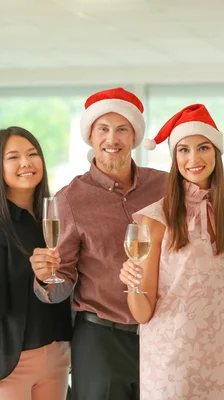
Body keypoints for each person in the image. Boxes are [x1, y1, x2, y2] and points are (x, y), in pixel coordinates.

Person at [34, 88, 167, 400]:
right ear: (90, 136)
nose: (112, 139)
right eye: (103, 129)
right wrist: (45, 277)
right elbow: (60, 282)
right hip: (100, 341)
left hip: (162, 336)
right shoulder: (70, 200)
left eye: (122, 129)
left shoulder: (164, 186)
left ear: (134, 136)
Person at [119, 104, 224, 399]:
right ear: (174, 157)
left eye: (203, 147)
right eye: (183, 150)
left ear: (216, 151)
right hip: (171, 365)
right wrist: (132, 285)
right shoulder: (156, 219)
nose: (193, 158)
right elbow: (143, 313)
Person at [0, 127, 72, 400]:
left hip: (56, 358)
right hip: (7, 361)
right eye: (13, 157)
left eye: (32, 154)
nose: (26, 163)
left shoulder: (55, 219)